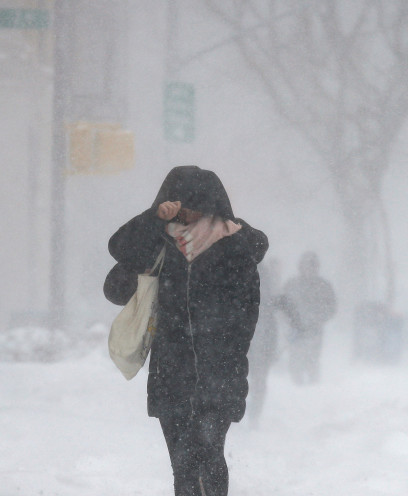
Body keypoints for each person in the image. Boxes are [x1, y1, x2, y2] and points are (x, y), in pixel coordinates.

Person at [106, 165, 268, 496]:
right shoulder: (160, 239)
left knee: (209, 457)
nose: (184, 212)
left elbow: (246, 313)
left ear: (210, 205)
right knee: (182, 465)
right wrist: (152, 217)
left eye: (191, 204)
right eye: (176, 203)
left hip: (219, 373)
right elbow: (118, 257)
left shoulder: (234, 244)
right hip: (172, 373)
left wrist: (223, 352)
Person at [282, 251, 337, 384]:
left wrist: (318, 319)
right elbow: (282, 306)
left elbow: (332, 308)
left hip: (314, 331)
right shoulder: (291, 284)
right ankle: (297, 389)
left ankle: (313, 390)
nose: (310, 269)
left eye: (313, 266)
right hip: (295, 331)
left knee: (312, 361)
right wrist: (290, 321)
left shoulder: (324, 286)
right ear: (300, 267)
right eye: (306, 266)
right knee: (295, 362)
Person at [245, 258, 281, 429]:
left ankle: (252, 415)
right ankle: (247, 414)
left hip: (257, 341)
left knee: (257, 380)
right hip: (247, 341)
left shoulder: (266, 306)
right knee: (254, 380)